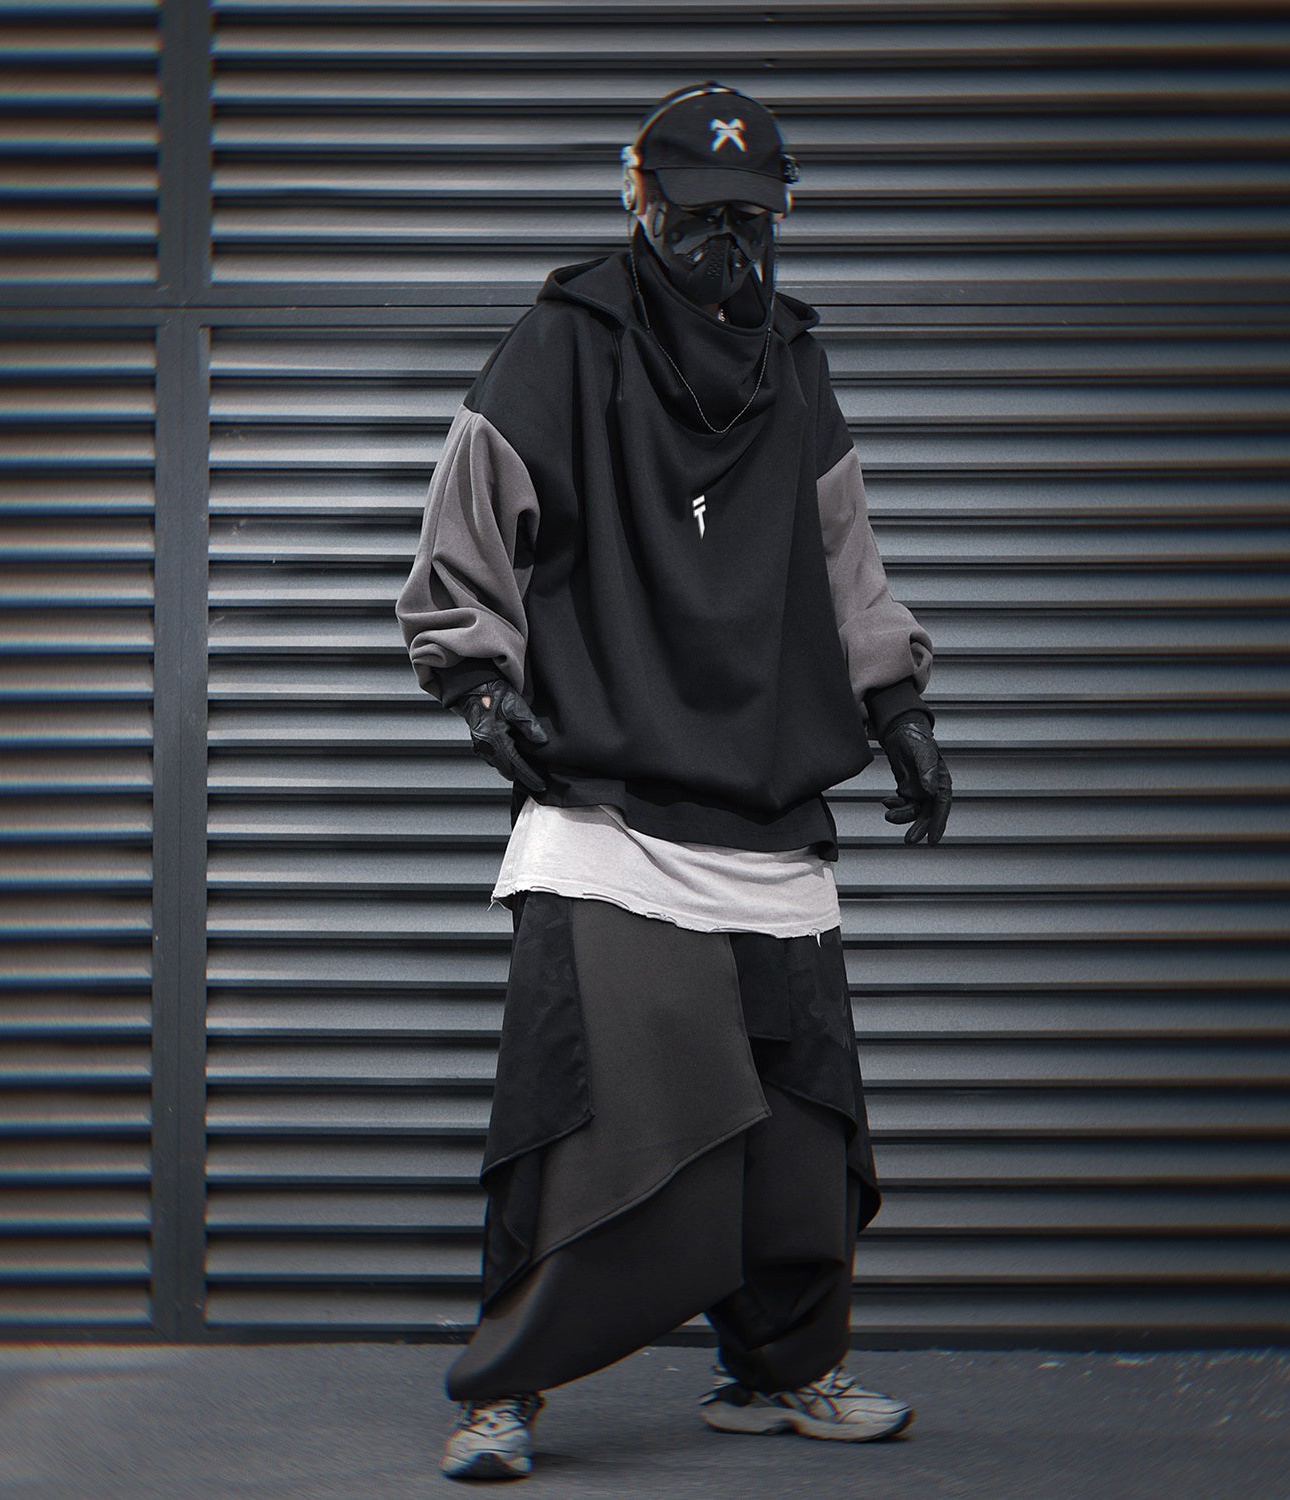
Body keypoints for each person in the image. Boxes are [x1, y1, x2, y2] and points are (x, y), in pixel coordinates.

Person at [397, 82, 952, 1484]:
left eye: (753, 223)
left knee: (803, 1120)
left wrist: (897, 705)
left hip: (766, 801)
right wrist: (477, 682)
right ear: (637, 202)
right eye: (700, 219)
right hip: (606, 808)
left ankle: (784, 1370)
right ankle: (507, 1395)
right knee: (573, 1116)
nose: (729, 250)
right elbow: (470, 522)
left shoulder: (795, 365)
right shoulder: (564, 341)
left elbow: (846, 557)